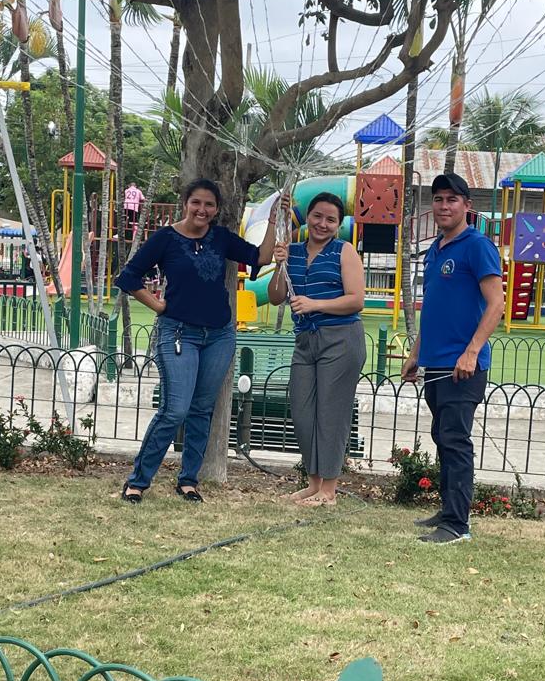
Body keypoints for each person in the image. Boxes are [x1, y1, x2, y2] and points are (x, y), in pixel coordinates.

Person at [114, 178, 279, 503]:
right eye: (196, 203)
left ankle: (188, 481)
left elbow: (260, 256)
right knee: (175, 410)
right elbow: (129, 277)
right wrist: (158, 305)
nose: (202, 210)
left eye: (209, 205)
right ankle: (137, 481)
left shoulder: (221, 238)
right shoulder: (166, 239)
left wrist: (273, 221)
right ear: (186, 204)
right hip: (179, 334)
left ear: (216, 209)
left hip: (219, 335)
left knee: (202, 409)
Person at [401, 173, 504, 544]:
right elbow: (434, 307)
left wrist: (471, 351)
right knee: (442, 437)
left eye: (452, 199)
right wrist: (416, 354)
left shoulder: (477, 246)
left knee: (455, 439)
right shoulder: (436, 249)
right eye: (438, 199)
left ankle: (458, 525)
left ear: (467, 206)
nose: (444, 206)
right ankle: (448, 510)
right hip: (436, 363)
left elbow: (497, 304)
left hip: (463, 366)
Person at [269, 192, 366, 506]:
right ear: (307, 217)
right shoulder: (293, 251)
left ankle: (329, 488)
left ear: (338, 224)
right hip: (306, 341)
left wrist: (315, 304)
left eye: (331, 220)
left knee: (331, 413)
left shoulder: (344, 251)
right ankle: (313, 484)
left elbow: (356, 300)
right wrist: (279, 264)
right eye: (318, 216)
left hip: (341, 339)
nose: (323, 224)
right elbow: (275, 296)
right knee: (302, 411)